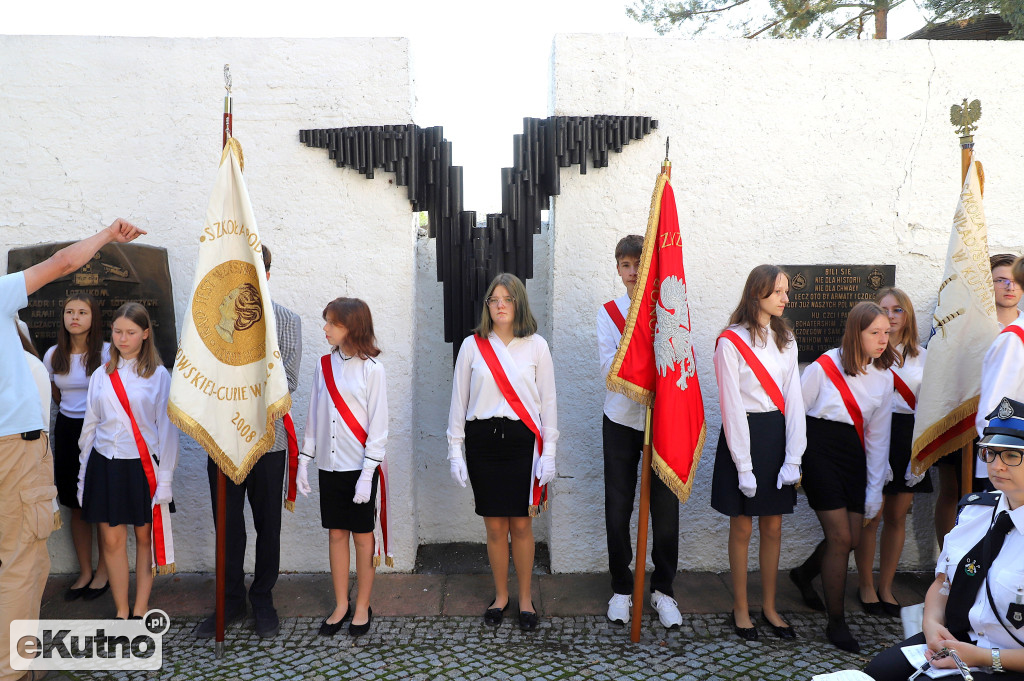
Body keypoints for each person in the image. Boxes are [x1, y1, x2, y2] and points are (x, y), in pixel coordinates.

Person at [0, 217, 143, 681]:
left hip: (70, 440)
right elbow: (62, 263)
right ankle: (14, 669)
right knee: (20, 558)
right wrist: (106, 235)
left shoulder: (105, 355)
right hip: (14, 446)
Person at [863, 396, 1024, 681]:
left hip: (1011, 658)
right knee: (878, 672)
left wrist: (983, 657)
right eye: (989, 453)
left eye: (1011, 455)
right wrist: (931, 622)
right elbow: (943, 582)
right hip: (965, 639)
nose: (997, 466)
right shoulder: (976, 512)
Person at [195, 245, 301, 639]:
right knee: (228, 527)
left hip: (267, 443)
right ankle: (230, 601)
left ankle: (262, 599)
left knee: (267, 526)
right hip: (223, 441)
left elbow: (288, 382)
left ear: (267, 273)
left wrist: (238, 383)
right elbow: (198, 377)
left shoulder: (286, 320)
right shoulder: (210, 323)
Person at [447, 273, 558, 632]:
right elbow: (458, 401)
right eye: (493, 300)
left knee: (522, 524)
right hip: (483, 442)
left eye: (507, 299)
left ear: (518, 303)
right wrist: (455, 449)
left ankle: (525, 599)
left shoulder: (537, 346)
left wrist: (550, 451)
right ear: (487, 306)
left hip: (523, 443)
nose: (499, 305)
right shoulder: (472, 345)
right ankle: (501, 596)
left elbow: (549, 403)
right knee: (494, 526)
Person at [790, 301, 896, 652]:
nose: (883, 339)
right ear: (856, 333)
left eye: (886, 332)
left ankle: (803, 574)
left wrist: (874, 490)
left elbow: (879, 438)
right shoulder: (824, 366)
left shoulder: (885, 376)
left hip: (855, 455)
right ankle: (836, 622)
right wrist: (794, 461)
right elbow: (797, 414)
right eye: (874, 333)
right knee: (840, 538)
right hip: (819, 451)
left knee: (852, 538)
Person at [712, 265, 805, 641]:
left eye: (785, 291)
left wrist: (794, 456)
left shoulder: (786, 338)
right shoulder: (730, 341)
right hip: (743, 436)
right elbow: (731, 406)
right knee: (742, 525)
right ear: (757, 295)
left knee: (774, 525)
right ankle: (739, 606)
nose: (786, 298)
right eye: (779, 292)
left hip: (776, 435)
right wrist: (743, 465)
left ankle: (768, 606)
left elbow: (794, 400)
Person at [599, 235, 682, 629]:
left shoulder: (666, 313)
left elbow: (678, 361)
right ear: (618, 270)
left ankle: (663, 590)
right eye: (626, 265)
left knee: (665, 512)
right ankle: (621, 587)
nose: (633, 273)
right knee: (618, 510)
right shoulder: (608, 313)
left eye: (639, 264)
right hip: (621, 421)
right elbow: (608, 371)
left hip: (661, 421)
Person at [77, 302, 178, 620]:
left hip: (141, 466)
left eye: (130, 332)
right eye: (117, 331)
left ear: (145, 334)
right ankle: (121, 611)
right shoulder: (101, 373)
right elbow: (89, 427)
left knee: (144, 537)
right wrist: (83, 476)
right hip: (105, 464)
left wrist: (165, 479)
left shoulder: (159, 376)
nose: (122, 338)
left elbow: (167, 430)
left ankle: (139, 608)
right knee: (111, 539)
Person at [296, 297, 388, 637]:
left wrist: (367, 477)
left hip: (360, 467)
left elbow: (379, 428)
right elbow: (314, 415)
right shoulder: (323, 365)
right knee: (336, 534)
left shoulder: (372, 369)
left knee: (363, 538)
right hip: (330, 466)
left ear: (353, 327)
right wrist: (304, 461)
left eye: (333, 323)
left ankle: (363, 604)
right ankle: (340, 604)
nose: (326, 328)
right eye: (327, 322)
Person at [935, 254, 1023, 545]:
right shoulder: (964, 325)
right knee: (959, 493)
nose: (1009, 287)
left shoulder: (1016, 333)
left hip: (1005, 430)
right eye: (1000, 280)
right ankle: (952, 562)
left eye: (1015, 280)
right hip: (965, 417)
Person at [854, 288, 932, 617]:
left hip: (908, 437)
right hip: (876, 436)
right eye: (884, 310)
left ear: (908, 315)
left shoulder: (924, 357)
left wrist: (922, 455)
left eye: (898, 309)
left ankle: (886, 586)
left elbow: (930, 406)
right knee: (870, 518)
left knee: (897, 517)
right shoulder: (869, 355)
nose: (891, 316)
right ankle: (866, 586)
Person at [42, 293, 111, 602]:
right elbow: (55, 394)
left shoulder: (108, 353)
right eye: (70, 311)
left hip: (101, 431)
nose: (75, 317)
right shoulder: (53, 354)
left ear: (93, 318)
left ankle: (104, 573)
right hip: (69, 430)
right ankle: (84, 572)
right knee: (77, 505)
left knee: (103, 503)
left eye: (82, 312)